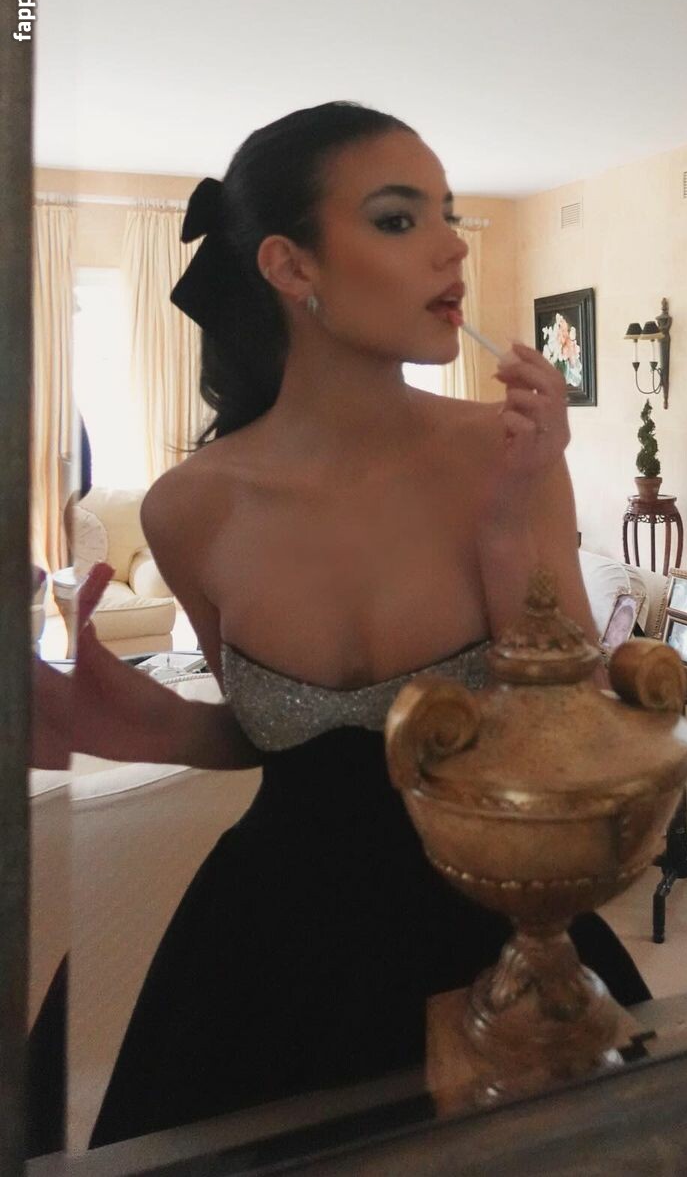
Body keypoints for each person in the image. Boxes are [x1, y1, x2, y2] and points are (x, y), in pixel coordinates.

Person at [34, 102, 648, 1145]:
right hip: (267, 944)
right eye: (401, 220)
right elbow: (279, 740)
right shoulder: (190, 509)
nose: (453, 247)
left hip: (500, 932)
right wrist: (152, 727)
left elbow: (574, 742)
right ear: (290, 265)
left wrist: (511, 529)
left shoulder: (509, 455)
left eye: (448, 214)